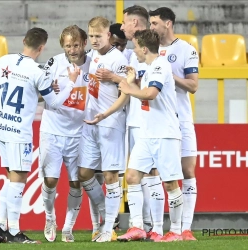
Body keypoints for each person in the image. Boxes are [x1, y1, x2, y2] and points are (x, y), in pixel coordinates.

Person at [0, 27, 77, 244]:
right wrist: (71, 83)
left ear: (24, 41)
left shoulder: (4, 60)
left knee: (11, 179)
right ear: (42, 48)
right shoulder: (38, 71)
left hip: (1, 128)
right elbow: (55, 104)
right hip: (19, 133)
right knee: (18, 180)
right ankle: (14, 231)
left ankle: (0, 228)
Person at [85, 29, 184, 242]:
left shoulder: (160, 65)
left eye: (137, 47)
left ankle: (176, 231)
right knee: (131, 177)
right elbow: (133, 91)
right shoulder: (147, 68)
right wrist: (106, 112)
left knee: (170, 183)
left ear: (145, 48)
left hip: (165, 134)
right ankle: (137, 226)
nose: (134, 51)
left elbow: (150, 94)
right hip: (147, 134)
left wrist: (129, 88)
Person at [149, 7, 199, 241]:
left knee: (187, 170)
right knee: (159, 173)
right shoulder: (149, 50)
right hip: (159, 121)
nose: (151, 28)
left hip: (182, 118)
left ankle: (186, 228)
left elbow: (193, 85)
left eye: (155, 23)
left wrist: (168, 74)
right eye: (150, 23)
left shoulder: (186, 50)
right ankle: (159, 228)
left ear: (168, 24)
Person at [77, 16, 128, 243]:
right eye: (91, 36)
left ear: (109, 35)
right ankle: (107, 218)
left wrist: (106, 114)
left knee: (110, 176)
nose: (94, 40)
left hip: (110, 123)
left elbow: (127, 93)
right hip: (90, 123)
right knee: (85, 174)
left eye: (99, 36)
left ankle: (107, 229)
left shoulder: (119, 58)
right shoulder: (92, 56)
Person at [39, 25, 91, 243]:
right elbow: (39, 95)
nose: (72, 49)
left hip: (79, 133)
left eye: (76, 45)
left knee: (76, 182)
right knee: (50, 180)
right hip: (52, 130)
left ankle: (68, 228)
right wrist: (48, 91)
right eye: (68, 45)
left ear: (84, 44)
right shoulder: (54, 63)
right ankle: (50, 218)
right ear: (63, 46)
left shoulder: (93, 64)